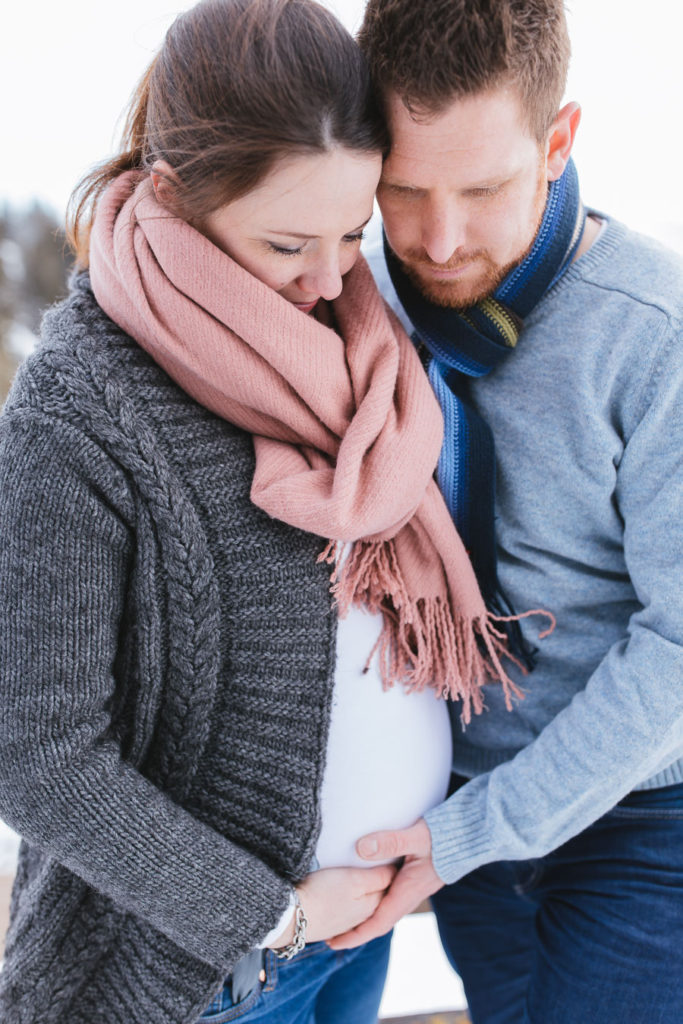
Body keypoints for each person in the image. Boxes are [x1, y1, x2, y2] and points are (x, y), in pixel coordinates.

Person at [0, 0, 539, 1021]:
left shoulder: (359, 349)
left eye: (352, 230)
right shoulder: (81, 407)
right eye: (289, 242)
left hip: (354, 943)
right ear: (176, 195)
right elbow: (38, 758)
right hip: (203, 979)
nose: (333, 278)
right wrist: (271, 913)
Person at [325, 2, 683, 1023]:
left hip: (638, 822)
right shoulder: (354, 305)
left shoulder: (649, 334)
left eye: (481, 188)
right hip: (456, 832)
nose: (437, 240)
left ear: (558, 141)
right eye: (401, 189)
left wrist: (478, 828)